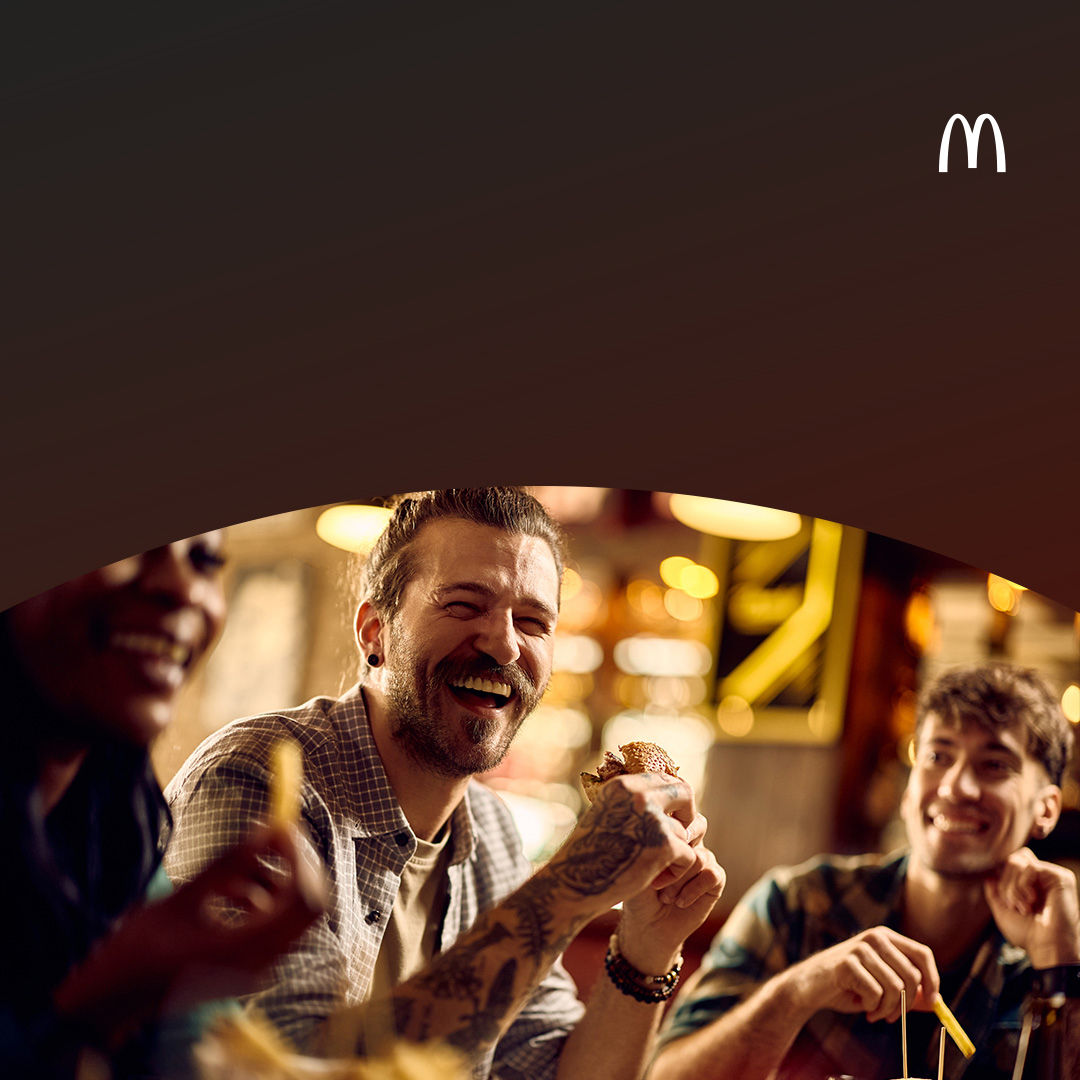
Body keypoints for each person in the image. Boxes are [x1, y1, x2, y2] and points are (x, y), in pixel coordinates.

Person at [164, 487, 726, 1079]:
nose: (505, 642)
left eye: (533, 621)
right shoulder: (260, 780)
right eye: (463, 605)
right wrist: (572, 883)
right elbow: (285, 1067)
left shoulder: (492, 832)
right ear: (375, 631)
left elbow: (556, 1073)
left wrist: (647, 946)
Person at [651, 661, 1080, 1080]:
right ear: (909, 788)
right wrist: (799, 991)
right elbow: (664, 1077)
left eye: (995, 765)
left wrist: (1059, 963)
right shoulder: (797, 904)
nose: (954, 787)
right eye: (937, 755)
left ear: (1045, 810)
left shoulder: (1055, 954)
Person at [0, 534, 324, 1080]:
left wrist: (190, 984)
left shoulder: (115, 823)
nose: (181, 588)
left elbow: (198, 1053)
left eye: (206, 560)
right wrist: (103, 1004)